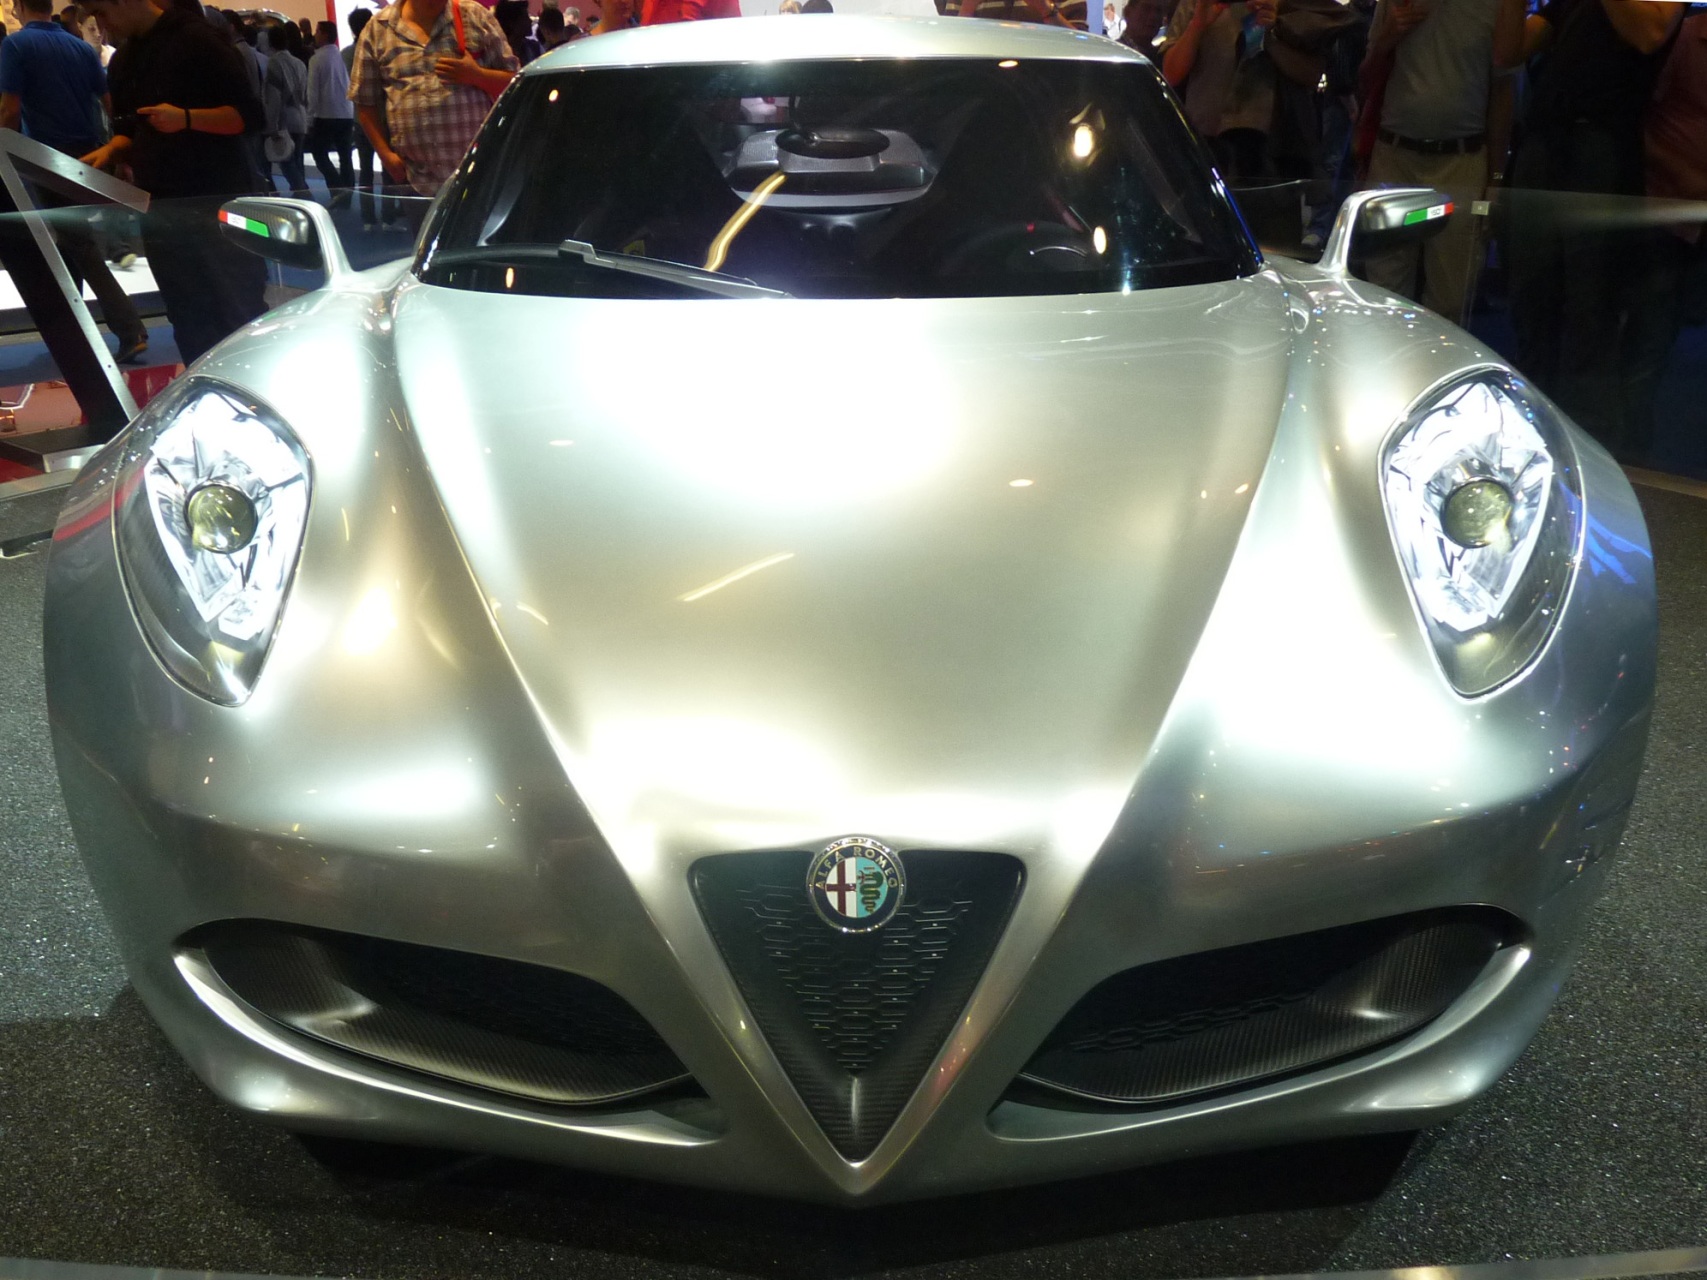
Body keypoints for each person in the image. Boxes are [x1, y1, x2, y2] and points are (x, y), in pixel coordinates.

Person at [1502, 0, 1684, 453]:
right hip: (1544, 141)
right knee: (1531, 304)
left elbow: (1649, 32)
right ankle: (1529, 443)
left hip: (1604, 147)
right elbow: (1507, 51)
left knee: (1591, 313)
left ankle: (1594, 456)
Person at [77, 0, 267, 364]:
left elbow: (249, 117)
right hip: (161, 208)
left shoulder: (199, 40)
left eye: (101, 11)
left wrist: (186, 118)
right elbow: (132, 129)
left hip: (218, 201)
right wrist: (113, 150)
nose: (99, 23)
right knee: (187, 316)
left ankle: (252, 389)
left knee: (238, 313)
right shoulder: (124, 60)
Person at [1354, 0, 1525, 324]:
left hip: (1462, 160)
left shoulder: (1498, 5)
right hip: (1395, 154)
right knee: (1383, 293)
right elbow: (1364, 77)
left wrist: (1495, 179)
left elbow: (1503, 91)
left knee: (1450, 301)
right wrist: (1387, 38)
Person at [0, 0, 149, 362]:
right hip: (89, 153)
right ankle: (77, 331)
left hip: (45, 157)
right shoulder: (80, 47)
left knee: (77, 245)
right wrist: (120, 150)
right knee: (70, 242)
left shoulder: (16, 45)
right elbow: (109, 102)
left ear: (19, 7)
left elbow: (10, 108)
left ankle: (129, 328)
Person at [347, 0, 516, 208]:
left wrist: (477, 75)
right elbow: (365, 102)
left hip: (479, 176)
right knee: (422, 231)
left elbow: (515, 83)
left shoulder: (474, 16)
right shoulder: (378, 29)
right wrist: (386, 156)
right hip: (415, 181)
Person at [1160, 0, 1279, 182]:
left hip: (1266, 139)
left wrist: (1276, 29)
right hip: (1206, 134)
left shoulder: (1278, 4)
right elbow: (1171, 74)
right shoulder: (1196, 3)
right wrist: (1198, 24)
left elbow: (1308, 72)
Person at [306, 18, 351, 205]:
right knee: (345, 156)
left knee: (319, 154)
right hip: (346, 112)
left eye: (318, 31)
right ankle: (347, 195)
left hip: (325, 114)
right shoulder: (342, 56)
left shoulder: (316, 59)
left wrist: (309, 118)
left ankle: (337, 189)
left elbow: (313, 92)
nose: (315, 35)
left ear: (324, 35)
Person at [261, 18, 308, 195]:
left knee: (287, 164)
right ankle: (302, 197)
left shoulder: (274, 63)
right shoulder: (299, 63)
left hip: (284, 120)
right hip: (300, 117)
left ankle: (304, 193)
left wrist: (271, 126)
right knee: (298, 163)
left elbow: (274, 98)